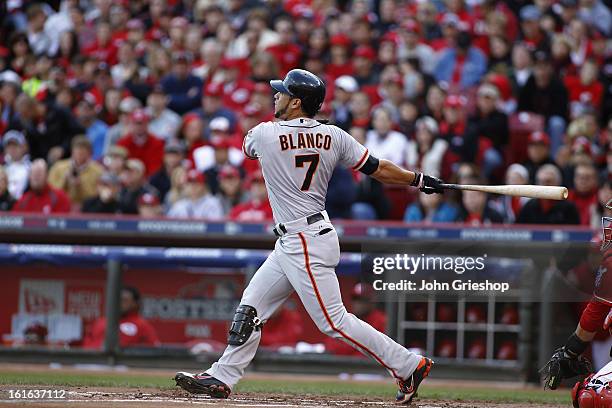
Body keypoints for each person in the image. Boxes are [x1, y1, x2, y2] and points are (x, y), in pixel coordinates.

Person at [175, 69, 441, 404]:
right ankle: (223, 375)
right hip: (301, 237)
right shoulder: (334, 135)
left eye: (283, 92)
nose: (276, 96)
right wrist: (418, 179)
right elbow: (379, 169)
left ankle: (408, 365)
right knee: (251, 306)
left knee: (333, 321)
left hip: (304, 239)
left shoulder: (265, 133)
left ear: (297, 101)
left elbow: (247, 148)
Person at [83, 286, 160, 349]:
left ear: (135, 304)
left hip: (124, 365)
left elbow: (154, 350)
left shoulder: (142, 325)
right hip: (92, 363)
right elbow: (86, 344)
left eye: (124, 300)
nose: (119, 303)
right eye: (117, 299)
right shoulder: (100, 321)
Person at [324, 283, 388, 357]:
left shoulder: (380, 321)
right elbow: (329, 345)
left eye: (362, 300)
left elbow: (368, 352)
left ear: (371, 302)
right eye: (355, 299)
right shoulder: (347, 319)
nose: (357, 304)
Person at [48, 136, 104, 208]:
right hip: (61, 207)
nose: (79, 156)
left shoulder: (98, 171)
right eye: (77, 152)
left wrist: (80, 185)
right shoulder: (58, 167)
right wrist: (64, 181)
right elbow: (50, 192)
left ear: (89, 154)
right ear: (72, 152)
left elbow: (98, 197)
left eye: (82, 153)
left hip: (86, 209)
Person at [116, 108, 165, 177]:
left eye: (141, 123)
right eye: (136, 123)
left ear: (147, 124)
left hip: (150, 180)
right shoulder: (123, 143)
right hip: (127, 179)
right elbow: (119, 165)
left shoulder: (157, 143)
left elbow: (156, 168)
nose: (139, 126)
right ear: (131, 124)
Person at [2, 130, 30, 199]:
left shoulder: (31, 168)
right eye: (9, 146)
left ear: (24, 147)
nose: (12, 149)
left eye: (15, 145)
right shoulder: (2, 170)